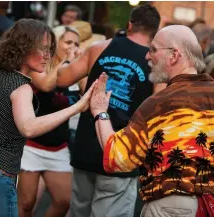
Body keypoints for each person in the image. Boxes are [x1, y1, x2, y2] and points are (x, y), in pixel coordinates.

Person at [0, 19, 95, 217]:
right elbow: (29, 128)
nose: (47, 56)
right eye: (42, 49)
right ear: (23, 47)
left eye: (50, 49)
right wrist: (77, 107)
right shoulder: (21, 86)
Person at [89, 25, 214, 216]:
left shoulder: (159, 105)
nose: (147, 56)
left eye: (153, 50)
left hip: (169, 208)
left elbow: (118, 157)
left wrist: (100, 111)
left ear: (174, 55)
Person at [56, 4, 163, 217]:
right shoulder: (155, 64)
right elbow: (158, 112)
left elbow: (62, 78)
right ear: (155, 33)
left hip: (86, 147)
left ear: (130, 24)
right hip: (121, 156)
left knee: (79, 212)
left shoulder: (100, 48)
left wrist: (67, 59)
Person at [18, 25, 82, 217]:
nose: (72, 46)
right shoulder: (39, 66)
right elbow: (46, 85)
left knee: (64, 202)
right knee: (27, 203)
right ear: (56, 43)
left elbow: (86, 90)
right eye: (68, 42)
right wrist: (66, 61)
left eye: (76, 44)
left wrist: (80, 65)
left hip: (58, 146)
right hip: (32, 144)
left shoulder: (73, 68)